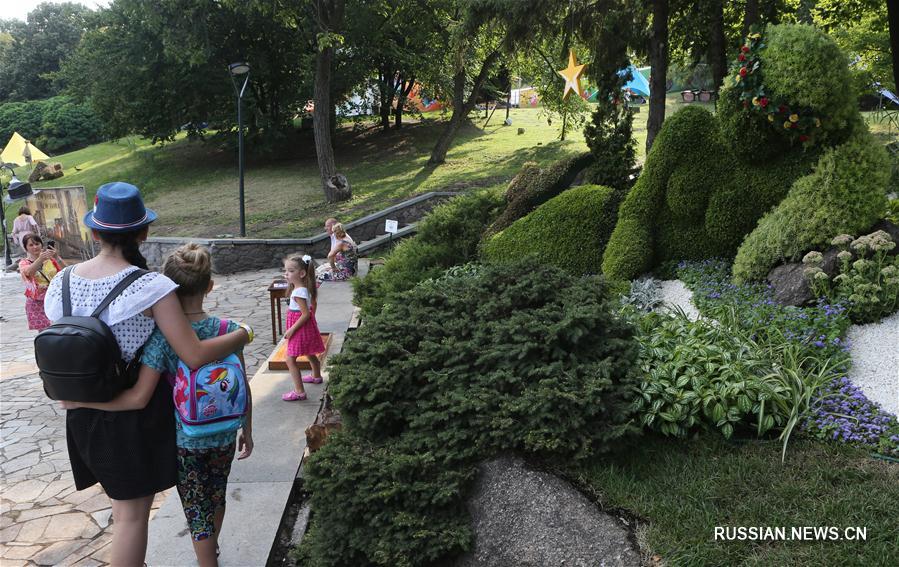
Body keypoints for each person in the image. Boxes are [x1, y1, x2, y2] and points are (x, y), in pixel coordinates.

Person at [47, 181, 251, 567]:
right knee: (130, 517)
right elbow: (192, 354)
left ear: (94, 231)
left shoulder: (62, 281)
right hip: (126, 417)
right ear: (143, 233)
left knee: (121, 511)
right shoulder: (152, 287)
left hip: (82, 415)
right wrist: (244, 333)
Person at [282, 254, 326, 401]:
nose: (286, 273)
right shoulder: (302, 289)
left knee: (290, 359)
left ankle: (299, 392)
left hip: (300, 327)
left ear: (301, 273)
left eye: (290, 271)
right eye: (286, 270)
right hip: (303, 327)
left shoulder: (299, 291)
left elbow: (305, 314)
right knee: (309, 351)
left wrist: (292, 329)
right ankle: (316, 376)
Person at [19, 233, 63, 331]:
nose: (35, 247)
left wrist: (57, 257)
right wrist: (40, 259)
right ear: (26, 248)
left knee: (60, 328)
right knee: (45, 331)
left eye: (37, 244)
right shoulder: (24, 263)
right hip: (37, 302)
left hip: (54, 298)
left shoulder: (51, 260)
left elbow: (65, 271)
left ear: (41, 245)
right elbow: (28, 272)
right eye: (31, 245)